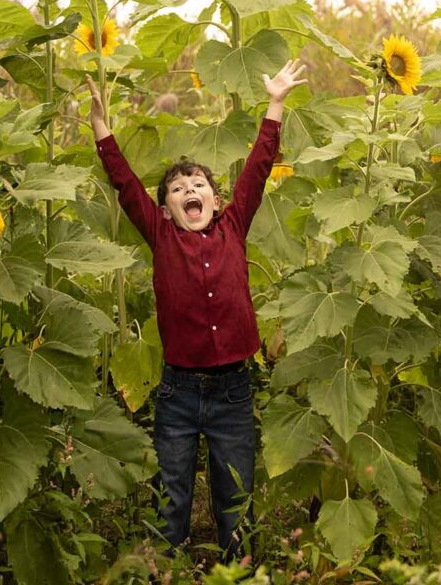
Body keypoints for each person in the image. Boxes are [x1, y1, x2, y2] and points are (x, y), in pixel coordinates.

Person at [86, 59, 307, 563]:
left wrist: (275, 104)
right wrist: (101, 127)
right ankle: (166, 569)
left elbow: (257, 168)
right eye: (178, 188)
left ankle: (238, 571)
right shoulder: (160, 233)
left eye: (198, 185)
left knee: (235, 494)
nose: (190, 191)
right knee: (172, 494)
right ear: (164, 208)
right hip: (178, 391)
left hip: (232, 390)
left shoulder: (234, 226)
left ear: (217, 198)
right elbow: (124, 183)